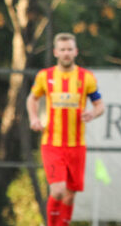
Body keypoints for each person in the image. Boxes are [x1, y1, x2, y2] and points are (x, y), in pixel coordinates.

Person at [27, 32, 105, 226]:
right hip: (52, 144)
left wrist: (92, 114)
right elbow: (32, 98)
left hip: (77, 146)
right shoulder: (45, 76)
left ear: (76, 51)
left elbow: (100, 105)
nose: (66, 53)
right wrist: (34, 118)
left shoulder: (86, 77)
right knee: (58, 191)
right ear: (55, 52)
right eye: (62, 50)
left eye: (70, 49)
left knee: (70, 196)